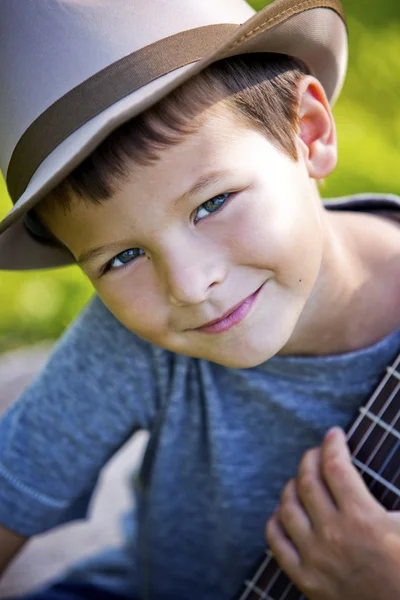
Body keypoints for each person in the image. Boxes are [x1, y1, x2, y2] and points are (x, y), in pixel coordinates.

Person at [0, 0, 399, 599]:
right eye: (121, 258)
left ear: (309, 133)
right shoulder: (133, 341)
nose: (188, 286)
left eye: (212, 204)